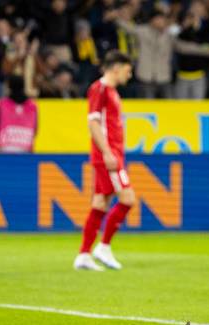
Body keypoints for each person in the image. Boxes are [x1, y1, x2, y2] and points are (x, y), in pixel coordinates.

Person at [74, 51, 136, 272]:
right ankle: (104, 246)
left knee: (100, 203)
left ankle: (83, 255)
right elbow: (93, 124)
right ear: (116, 67)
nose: (128, 76)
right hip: (108, 157)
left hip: (110, 155)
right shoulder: (99, 89)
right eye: (128, 71)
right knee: (128, 198)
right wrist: (108, 153)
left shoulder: (110, 91)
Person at [0, 75, 38, 153]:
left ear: (9, 86)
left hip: (6, 148)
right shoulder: (32, 105)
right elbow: (35, 128)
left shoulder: (2, 104)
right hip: (26, 147)